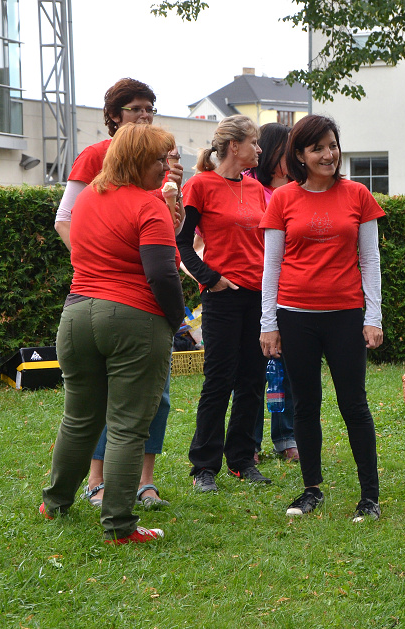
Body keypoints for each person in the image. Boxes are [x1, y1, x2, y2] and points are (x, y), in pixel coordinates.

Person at [40, 123, 185, 544]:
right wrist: (175, 320)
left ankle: (55, 502)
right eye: (158, 159)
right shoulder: (148, 205)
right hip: (132, 318)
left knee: (78, 418)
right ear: (137, 159)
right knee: (126, 426)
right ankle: (120, 526)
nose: (165, 168)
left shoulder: (86, 198)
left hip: (76, 316)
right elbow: (161, 273)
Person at [258, 114, 384, 521]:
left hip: (345, 316)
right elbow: (271, 267)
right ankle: (311, 489)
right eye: (318, 148)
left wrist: (373, 316)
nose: (328, 154)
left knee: (354, 404)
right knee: (305, 405)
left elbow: (370, 260)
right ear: (300, 155)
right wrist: (268, 323)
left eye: (332, 145)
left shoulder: (358, 195)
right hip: (295, 317)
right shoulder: (282, 199)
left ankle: (370, 497)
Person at [179, 114, 271, 492]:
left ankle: (241, 460)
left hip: (259, 297)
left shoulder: (255, 189)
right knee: (219, 379)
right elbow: (182, 243)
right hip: (223, 298)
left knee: (252, 380)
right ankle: (204, 466)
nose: (260, 149)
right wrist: (211, 278)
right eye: (254, 142)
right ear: (234, 146)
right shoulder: (200, 185)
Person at [244, 122, 299, 463]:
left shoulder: (298, 191)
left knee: (288, 370)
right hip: (253, 289)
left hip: (290, 291)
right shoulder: (248, 189)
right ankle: (248, 441)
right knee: (251, 373)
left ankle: (286, 436)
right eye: (287, 150)